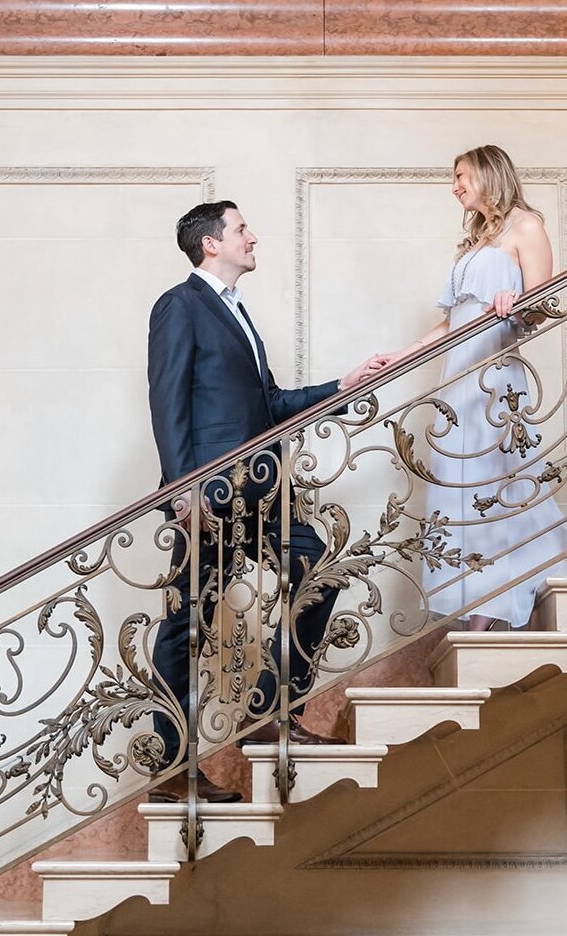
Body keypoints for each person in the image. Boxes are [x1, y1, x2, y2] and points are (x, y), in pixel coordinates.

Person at [147, 199, 382, 802]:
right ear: (211, 244)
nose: (253, 237)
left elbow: (268, 404)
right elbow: (167, 402)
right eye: (242, 229)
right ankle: (175, 771)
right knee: (184, 626)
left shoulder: (238, 314)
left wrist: (341, 386)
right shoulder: (180, 307)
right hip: (210, 496)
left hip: (261, 491)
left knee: (319, 572)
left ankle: (267, 712)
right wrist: (181, 492)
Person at [379, 145, 567, 632]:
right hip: (457, 378)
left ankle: (494, 603)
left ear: (488, 174)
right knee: (458, 484)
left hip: (496, 376)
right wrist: (404, 353)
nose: (454, 186)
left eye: (460, 176)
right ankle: (474, 596)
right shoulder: (477, 240)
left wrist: (518, 302)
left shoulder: (527, 226)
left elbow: (543, 306)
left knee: (497, 484)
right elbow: (452, 322)